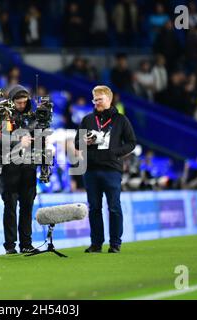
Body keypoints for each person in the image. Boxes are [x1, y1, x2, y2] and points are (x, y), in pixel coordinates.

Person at [74, 85, 136, 253]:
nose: (96, 103)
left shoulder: (121, 120)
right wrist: (83, 142)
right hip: (91, 170)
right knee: (94, 208)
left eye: (99, 99)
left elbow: (131, 143)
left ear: (109, 99)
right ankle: (96, 243)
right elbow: (77, 143)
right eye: (94, 100)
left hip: (111, 169)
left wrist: (115, 153)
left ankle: (115, 243)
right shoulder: (87, 119)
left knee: (114, 206)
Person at [0, 85, 40, 254]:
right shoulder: (4, 116)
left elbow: (40, 141)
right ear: (12, 101)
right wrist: (18, 142)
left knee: (27, 207)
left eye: (24, 102)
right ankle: (10, 245)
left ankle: (26, 243)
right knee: (10, 206)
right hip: (10, 167)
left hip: (29, 167)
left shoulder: (35, 117)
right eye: (18, 102)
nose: (22, 105)